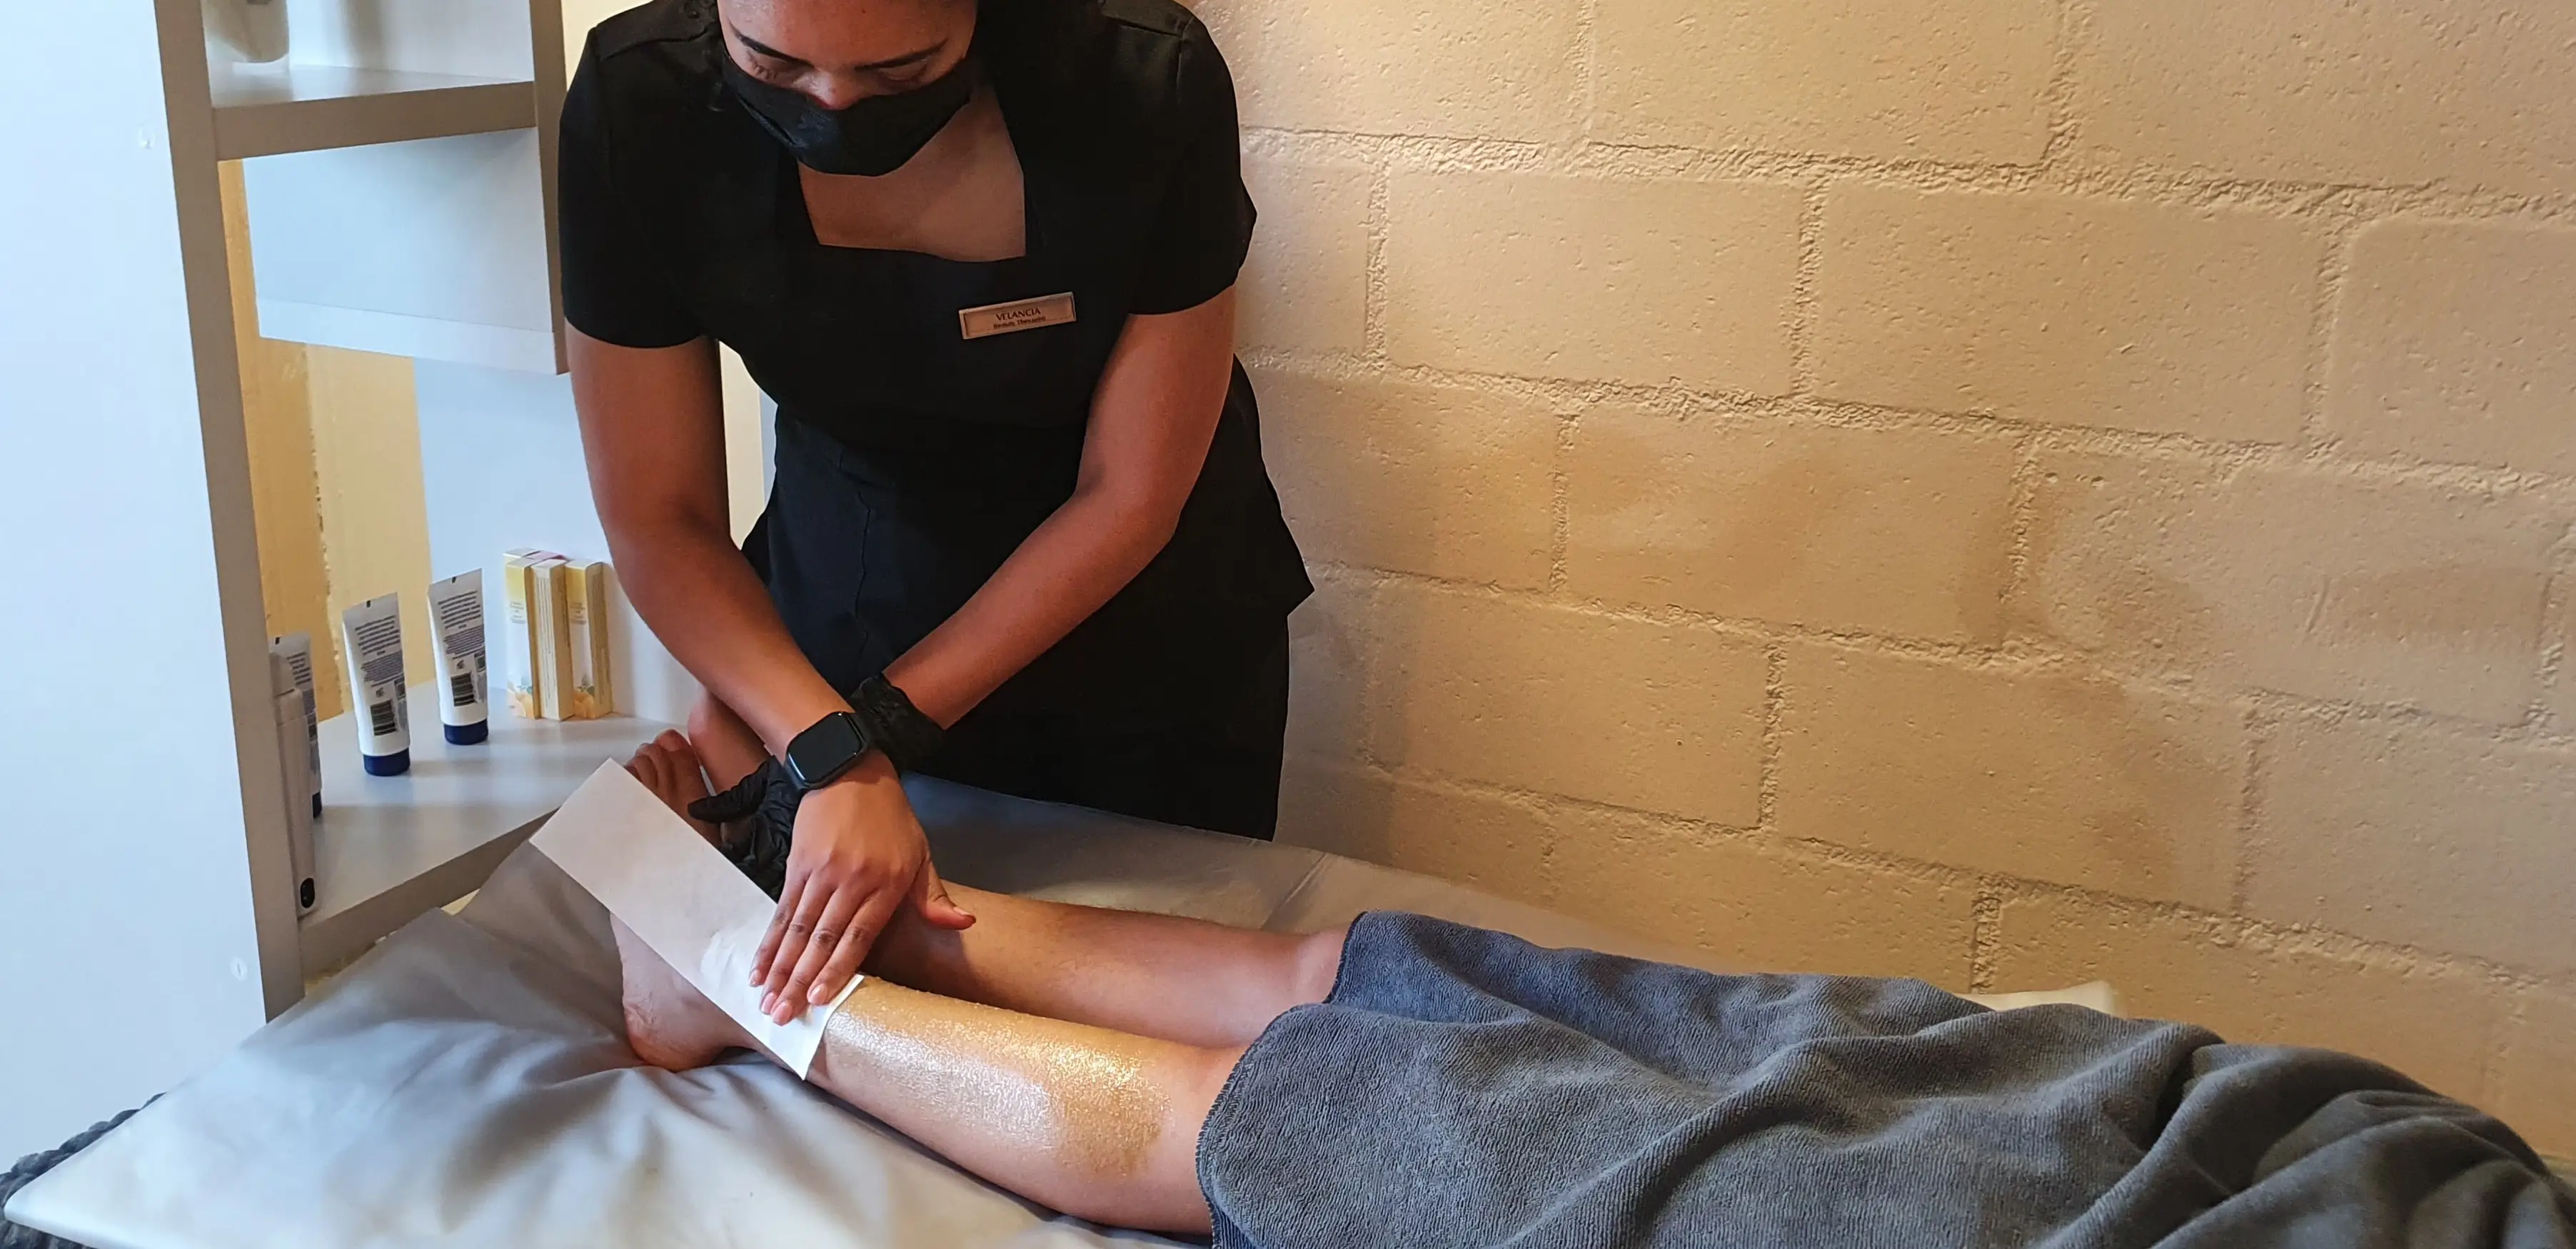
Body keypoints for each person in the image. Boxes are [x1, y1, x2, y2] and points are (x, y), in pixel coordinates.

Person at [615, 734, 2576, 1249]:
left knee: (1355, 1058)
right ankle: (766, 950)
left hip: (2352, 1159)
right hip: (2359, 1166)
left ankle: (739, 961)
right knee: (1367, 1047)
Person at [558, 0, 1312, 1029]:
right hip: (854, 601)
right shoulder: (636, 101)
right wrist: (825, 742)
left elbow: (1129, 497)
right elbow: (658, 514)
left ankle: (712, 976)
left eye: (901, 72)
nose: (830, 104)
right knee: (885, 939)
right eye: (771, 64)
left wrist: (869, 734)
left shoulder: (1140, 83)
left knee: (1180, 1006)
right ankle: (729, 980)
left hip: (1137, 630)